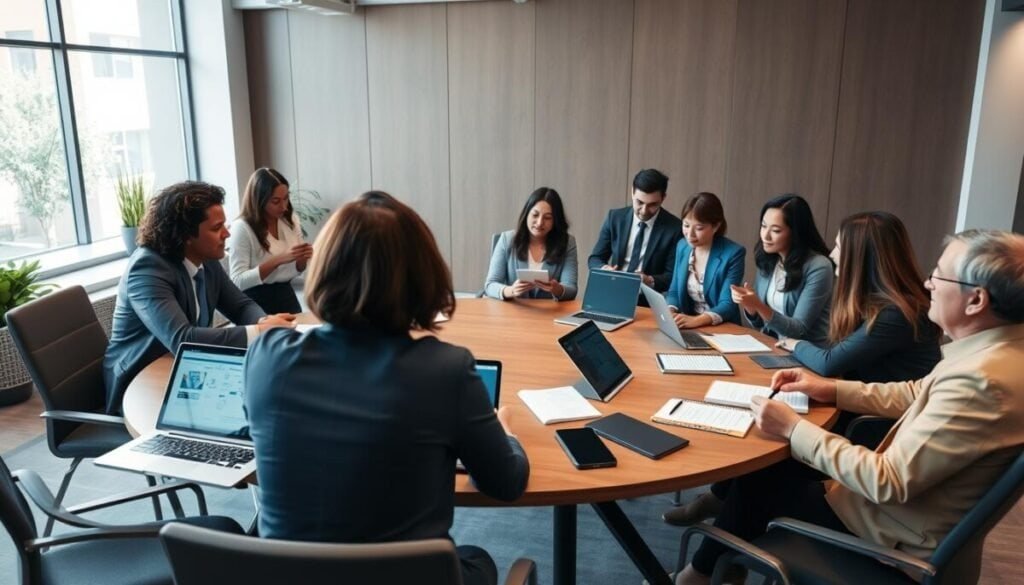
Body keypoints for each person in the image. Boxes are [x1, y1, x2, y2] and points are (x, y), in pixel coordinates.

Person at [673, 229, 1024, 585]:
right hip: (907, 519)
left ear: (976, 300)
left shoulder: (980, 381)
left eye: (938, 274)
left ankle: (700, 575)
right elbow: (916, 392)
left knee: (760, 479)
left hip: (889, 541)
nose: (927, 282)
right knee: (769, 472)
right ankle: (716, 568)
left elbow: (887, 481)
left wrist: (793, 428)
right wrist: (830, 389)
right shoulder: (999, 357)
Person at [245, 191, 530, 585]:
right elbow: (505, 483)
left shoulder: (266, 356)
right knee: (476, 558)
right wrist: (507, 432)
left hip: (296, 574)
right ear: (421, 277)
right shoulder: (445, 369)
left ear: (324, 268)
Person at [103, 181, 294, 414]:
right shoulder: (148, 269)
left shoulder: (206, 258)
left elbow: (241, 306)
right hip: (140, 386)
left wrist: (262, 322)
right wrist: (259, 333)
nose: (227, 233)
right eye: (216, 228)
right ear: (186, 236)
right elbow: (182, 338)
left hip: (187, 371)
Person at [777, 211, 941, 382]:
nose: (832, 254)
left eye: (838, 247)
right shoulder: (878, 303)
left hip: (882, 408)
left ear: (861, 257)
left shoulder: (895, 314)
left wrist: (796, 344)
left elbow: (829, 363)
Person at [731, 194, 833, 344]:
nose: (765, 236)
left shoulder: (819, 267)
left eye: (776, 231)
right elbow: (761, 324)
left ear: (796, 233)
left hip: (807, 355)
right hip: (773, 347)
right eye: (764, 226)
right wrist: (750, 307)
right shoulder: (769, 258)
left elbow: (799, 330)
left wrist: (759, 305)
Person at [228, 168, 313, 314]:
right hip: (255, 301)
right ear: (259, 200)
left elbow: (298, 269)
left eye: (286, 198)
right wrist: (278, 260)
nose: (284, 206)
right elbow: (238, 281)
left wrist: (302, 258)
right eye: (276, 201)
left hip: (286, 294)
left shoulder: (290, 219)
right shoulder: (242, 227)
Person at [587, 169, 682, 298]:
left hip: (646, 301)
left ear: (663, 198)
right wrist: (605, 270)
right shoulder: (615, 218)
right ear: (632, 192)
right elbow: (595, 259)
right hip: (612, 292)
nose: (644, 211)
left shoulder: (675, 228)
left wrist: (649, 280)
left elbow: (672, 275)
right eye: (639, 202)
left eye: (652, 205)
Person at [664, 192, 745, 327]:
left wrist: (696, 321)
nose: (690, 234)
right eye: (686, 225)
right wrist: (670, 311)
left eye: (699, 228)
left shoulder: (733, 253)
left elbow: (727, 304)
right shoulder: (682, 246)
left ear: (716, 226)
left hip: (722, 327)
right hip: (688, 324)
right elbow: (674, 291)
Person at [484, 187, 578, 301]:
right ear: (526, 214)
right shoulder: (507, 239)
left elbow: (571, 289)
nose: (539, 223)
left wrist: (557, 289)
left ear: (555, 221)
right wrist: (511, 290)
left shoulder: (567, 243)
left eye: (547, 218)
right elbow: (490, 285)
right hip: (514, 311)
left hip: (549, 314)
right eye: (535, 215)